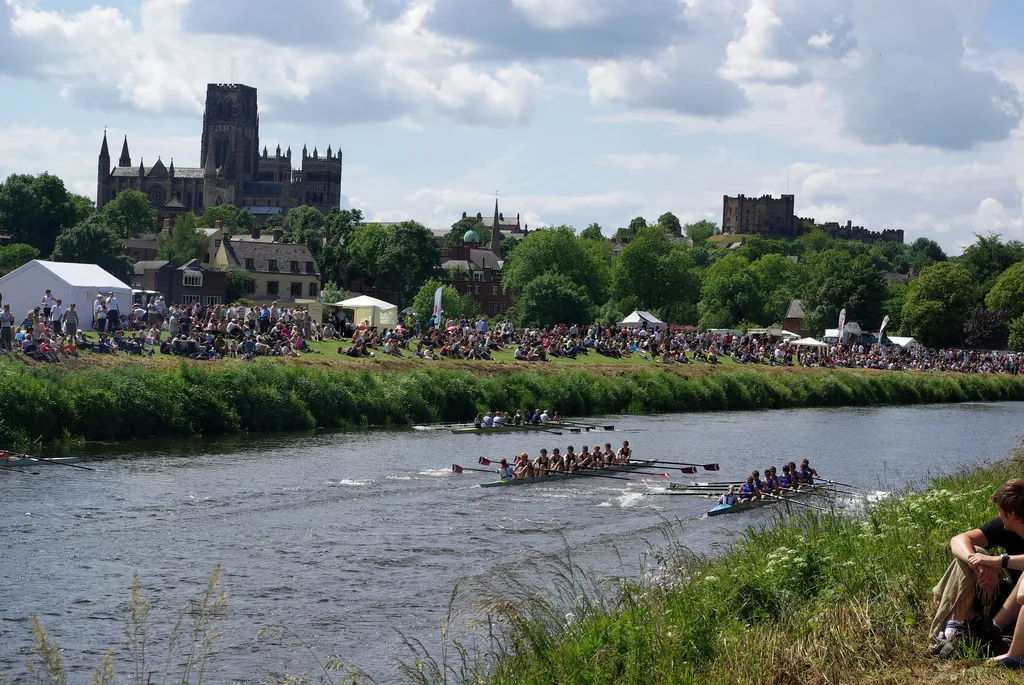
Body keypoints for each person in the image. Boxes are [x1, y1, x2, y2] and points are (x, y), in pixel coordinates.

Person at [930, 479, 1024, 663]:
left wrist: (997, 561)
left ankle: (994, 633)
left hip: (1020, 606)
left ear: (1012, 513)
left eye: (1000, 511)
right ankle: (950, 633)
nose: (999, 515)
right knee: (973, 554)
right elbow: (958, 540)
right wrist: (977, 563)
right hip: (1010, 603)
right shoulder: (1003, 528)